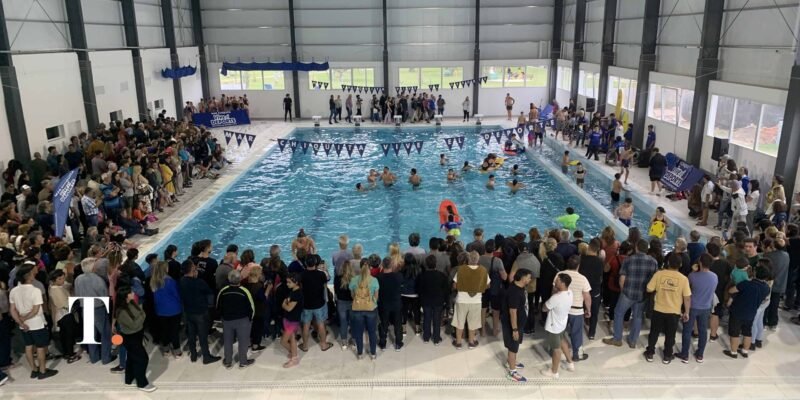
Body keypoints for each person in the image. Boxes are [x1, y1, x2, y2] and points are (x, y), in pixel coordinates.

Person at [603, 240, 658, 348]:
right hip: (643, 295)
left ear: (637, 248)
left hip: (628, 293)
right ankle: (633, 341)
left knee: (618, 313)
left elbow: (622, 278)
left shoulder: (629, 260)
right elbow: (654, 281)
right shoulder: (653, 262)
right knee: (637, 317)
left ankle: (617, 339)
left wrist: (624, 291)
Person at [9, 263, 58, 379]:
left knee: (29, 347)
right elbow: (36, 310)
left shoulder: (14, 291)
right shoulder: (35, 290)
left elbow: (12, 309)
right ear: (29, 275)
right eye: (33, 271)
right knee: (40, 347)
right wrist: (24, 319)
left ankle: (34, 369)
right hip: (36, 323)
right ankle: (42, 370)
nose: (36, 272)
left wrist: (21, 322)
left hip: (23, 326)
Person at [643, 253, 691, 364]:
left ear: (668, 262)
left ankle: (650, 353)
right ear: (680, 264)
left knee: (654, 332)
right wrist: (687, 312)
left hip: (658, 309)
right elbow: (687, 298)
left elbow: (649, 289)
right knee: (670, 335)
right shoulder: (683, 279)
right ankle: (667, 356)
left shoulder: (659, 274)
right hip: (674, 312)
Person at [676, 254, 717, 363]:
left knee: (687, 330)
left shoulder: (692, 276)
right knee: (703, 331)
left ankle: (685, 354)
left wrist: (693, 270)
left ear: (700, 263)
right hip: (706, 307)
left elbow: (687, 290)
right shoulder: (714, 276)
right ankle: (700, 355)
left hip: (692, 306)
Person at [180, 259, 221, 364]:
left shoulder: (181, 281)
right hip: (200, 312)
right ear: (192, 269)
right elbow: (209, 292)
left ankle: (193, 355)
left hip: (188, 312)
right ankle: (206, 357)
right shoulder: (199, 282)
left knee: (191, 334)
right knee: (202, 335)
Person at [725, 265, 771, 359]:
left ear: (755, 273)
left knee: (735, 332)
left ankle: (733, 352)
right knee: (747, 332)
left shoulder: (746, 284)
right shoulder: (766, 288)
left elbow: (731, 290)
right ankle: (745, 351)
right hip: (751, 312)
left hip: (738, 311)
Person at [115, 286, 155, 392]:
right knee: (142, 359)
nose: (133, 293)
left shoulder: (132, 303)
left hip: (137, 335)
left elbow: (142, 314)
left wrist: (140, 317)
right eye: (131, 292)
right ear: (126, 296)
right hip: (130, 338)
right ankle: (142, 383)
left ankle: (129, 378)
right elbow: (134, 324)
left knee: (133, 358)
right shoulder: (122, 312)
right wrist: (141, 317)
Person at [217, 270, 255, 369]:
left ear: (229, 279)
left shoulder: (223, 290)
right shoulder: (245, 291)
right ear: (240, 279)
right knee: (243, 341)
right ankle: (243, 362)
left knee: (228, 341)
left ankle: (228, 361)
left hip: (227, 320)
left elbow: (218, 306)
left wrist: (222, 317)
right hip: (242, 321)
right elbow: (251, 308)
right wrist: (250, 319)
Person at [555, 256, 591, 362]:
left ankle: (554, 351)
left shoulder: (559, 275)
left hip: (561, 309)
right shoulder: (583, 278)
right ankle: (577, 355)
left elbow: (554, 291)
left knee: (558, 332)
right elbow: (587, 296)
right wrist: (588, 310)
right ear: (578, 266)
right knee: (577, 333)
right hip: (577, 310)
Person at [452, 251, 489, 349]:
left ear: (468, 259)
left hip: (462, 300)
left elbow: (455, 285)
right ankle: (471, 342)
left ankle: (458, 342)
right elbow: (488, 285)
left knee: (459, 321)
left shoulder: (461, 269)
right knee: (473, 322)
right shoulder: (483, 270)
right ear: (478, 260)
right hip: (476, 301)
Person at [541, 273, 575, 379]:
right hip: (562, 322)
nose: (555, 281)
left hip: (554, 326)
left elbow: (544, 308)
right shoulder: (570, 292)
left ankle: (554, 372)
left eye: (557, 280)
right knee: (562, 340)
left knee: (556, 349)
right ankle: (570, 363)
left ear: (563, 283)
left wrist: (553, 295)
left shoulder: (556, 298)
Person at [503, 269, 532, 383]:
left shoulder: (519, 287)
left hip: (519, 323)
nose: (530, 279)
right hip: (513, 325)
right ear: (523, 278)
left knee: (515, 345)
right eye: (529, 277)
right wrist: (514, 329)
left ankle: (511, 361)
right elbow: (513, 312)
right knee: (513, 346)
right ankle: (512, 372)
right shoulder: (515, 292)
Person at [299, 254, 332, 352]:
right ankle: (324, 345)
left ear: (305, 263)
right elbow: (327, 280)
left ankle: (305, 346)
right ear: (315, 263)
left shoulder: (302, 275)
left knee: (306, 325)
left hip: (306, 304)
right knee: (321, 323)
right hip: (319, 303)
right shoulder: (321, 274)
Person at [349, 259, 380, 359]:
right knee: (372, 332)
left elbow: (352, 295)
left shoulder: (354, 280)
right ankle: (373, 353)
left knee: (358, 332)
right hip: (371, 309)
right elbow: (376, 297)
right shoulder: (374, 280)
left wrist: (359, 301)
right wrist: (371, 302)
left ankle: (360, 354)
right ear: (370, 268)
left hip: (357, 309)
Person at [151, 261, 183, 358]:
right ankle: (177, 351)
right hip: (173, 310)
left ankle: (166, 350)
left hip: (161, 310)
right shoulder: (170, 281)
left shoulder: (153, 281)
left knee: (164, 330)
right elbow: (176, 295)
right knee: (174, 331)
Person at [48, 270, 80, 364]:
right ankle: (70, 355)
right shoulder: (56, 289)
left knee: (64, 335)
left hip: (60, 315)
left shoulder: (52, 288)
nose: (62, 280)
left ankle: (66, 353)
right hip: (65, 314)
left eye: (63, 278)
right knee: (68, 335)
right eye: (60, 279)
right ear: (54, 280)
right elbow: (63, 304)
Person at [417, 255, 448, 345]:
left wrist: (421, 300)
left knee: (427, 318)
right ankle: (436, 339)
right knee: (437, 319)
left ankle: (426, 337)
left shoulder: (422, 276)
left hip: (426, 301)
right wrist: (446, 301)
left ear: (426, 264)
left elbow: (419, 289)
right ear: (436, 264)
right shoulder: (442, 275)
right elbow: (445, 290)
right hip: (438, 301)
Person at [580, 239, 605, 340]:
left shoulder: (582, 259)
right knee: (594, 313)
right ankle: (592, 333)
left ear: (589, 247)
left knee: (580, 311)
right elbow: (600, 277)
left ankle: (578, 329)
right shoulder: (600, 262)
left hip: (582, 291)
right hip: (594, 291)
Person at [280, 273, 303, 367]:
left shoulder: (297, 294)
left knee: (283, 341)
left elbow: (288, 308)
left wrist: (284, 305)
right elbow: (286, 304)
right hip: (289, 319)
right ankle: (294, 355)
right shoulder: (292, 291)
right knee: (292, 339)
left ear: (296, 282)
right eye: (287, 282)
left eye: (289, 282)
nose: (287, 284)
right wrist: (285, 304)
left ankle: (294, 355)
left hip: (292, 321)